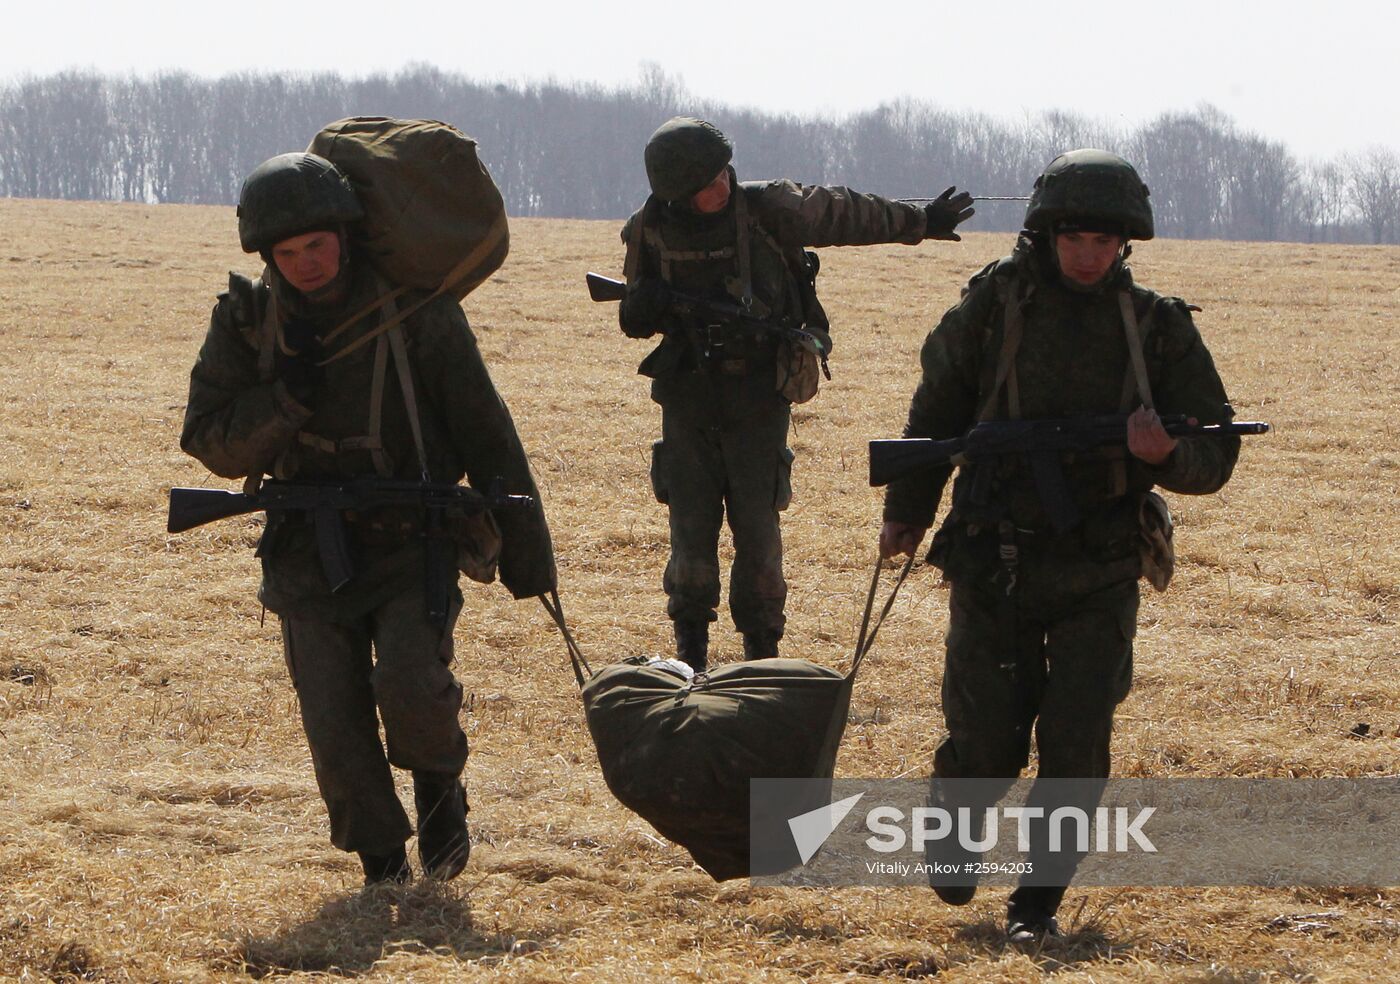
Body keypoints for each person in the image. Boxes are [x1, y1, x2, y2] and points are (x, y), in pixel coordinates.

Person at [878, 149, 1240, 942]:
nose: (1090, 254)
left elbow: (1216, 449)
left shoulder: (1157, 328)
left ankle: (1035, 907)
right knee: (984, 739)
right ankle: (955, 841)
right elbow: (934, 412)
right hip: (993, 556)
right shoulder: (992, 307)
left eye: (1105, 242)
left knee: (1076, 749)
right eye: (1076, 237)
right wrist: (906, 511)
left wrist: (1165, 458)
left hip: (1102, 565)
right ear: (1047, 234)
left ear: (1126, 244)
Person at [180, 152, 555, 885]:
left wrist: (528, 549)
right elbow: (209, 441)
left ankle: (442, 790)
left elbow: (488, 432)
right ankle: (381, 863)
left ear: (346, 236)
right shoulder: (247, 322)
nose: (305, 264)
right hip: (303, 548)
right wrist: (284, 399)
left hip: (411, 539)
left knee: (413, 686)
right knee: (332, 718)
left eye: (316, 246)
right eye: (286, 254)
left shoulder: (420, 314)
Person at [619, 116, 974, 670]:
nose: (720, 189)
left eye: (722, 176)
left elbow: (844, 211)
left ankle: (762, 658)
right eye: (704, 187)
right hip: (687, 395)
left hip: (759, 396)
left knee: (759, 533)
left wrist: (921, 220)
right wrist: (644, 309)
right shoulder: (649, 228)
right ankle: (691, 658)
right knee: (689, 532)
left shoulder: (769, 209)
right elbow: (632, 308)